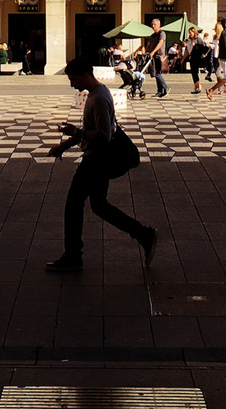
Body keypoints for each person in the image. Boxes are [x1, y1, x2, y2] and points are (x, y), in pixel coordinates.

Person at [44, 57, 157, 272]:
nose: (71, 84)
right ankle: (144, 234)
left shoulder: (98, 98)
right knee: (99, 206)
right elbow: (92, 127)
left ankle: (73, 256)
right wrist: (65, 146)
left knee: (73, 204)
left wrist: (75, 133)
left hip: (95, 160)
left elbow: (103, 135)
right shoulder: (97, 94)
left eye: (72, 79)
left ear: (84, 75)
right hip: (97, 158)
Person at [147, 20, 168, 98]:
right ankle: (160, 91)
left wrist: (153, 52)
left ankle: (165, 87)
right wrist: (146, 51)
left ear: (159, 25)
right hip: (152, 56)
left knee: (156, 73)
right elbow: (149, 44)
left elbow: (160, 43)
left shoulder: (162, 33)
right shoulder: (152, 35)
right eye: (152, 24)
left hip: (159, 55)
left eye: (155, 24)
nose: (153, 26)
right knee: (156, 73)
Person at [186, 29, 207, 94]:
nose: (189, 34)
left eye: (190, 32)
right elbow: (187, 50)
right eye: (189, 33)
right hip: (192, 57)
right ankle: (196, 87)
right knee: (193, 72)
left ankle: (198, 87)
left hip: (197, 57)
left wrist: (196, 45)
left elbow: (204, 46)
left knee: (195, 72)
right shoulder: (189, 40)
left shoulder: (198, 39)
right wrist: (183, 59)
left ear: (194, 32)